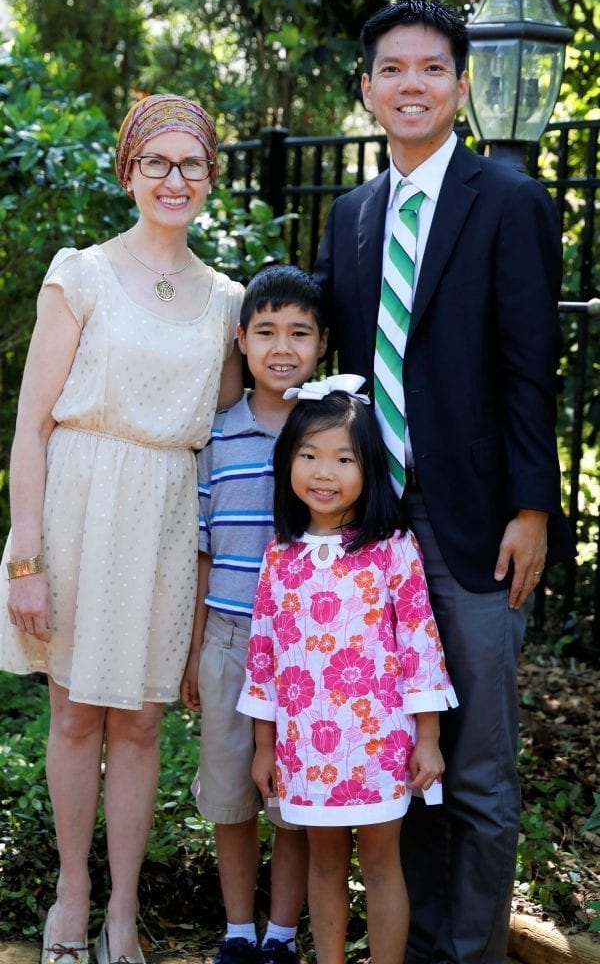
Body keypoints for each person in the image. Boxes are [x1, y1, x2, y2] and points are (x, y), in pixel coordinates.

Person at [312, 0, 576, 964]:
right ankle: (418, 947)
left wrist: (532, 508)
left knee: (477, 769)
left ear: (461, 85)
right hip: (374, 532)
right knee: (400, 757)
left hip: (477, 528)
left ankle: (472, 953)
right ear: (368, 88)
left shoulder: (509, 201)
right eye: (393, 69)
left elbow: (529, 369)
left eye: (431, 68)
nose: (411, 85)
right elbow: (329, 361)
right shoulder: (352, 214)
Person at [0, 93, 245, 964]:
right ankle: (71, 898)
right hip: (79, 511)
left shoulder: (227, 301)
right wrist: (25, 557)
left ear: (211, 176)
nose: (174, 179)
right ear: (129, 171)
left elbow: (225, 435)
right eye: (156, 162)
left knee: (141, 722)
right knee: (74, 715)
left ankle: (121, 913)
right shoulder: (83, 276)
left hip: (167, 523)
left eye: (192, 163)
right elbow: (31, 426)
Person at [237, 377, 458, 964]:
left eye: (343, 458)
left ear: (370, 468)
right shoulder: (280, 556)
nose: (324, 473)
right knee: (325, 862)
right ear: (288, 462)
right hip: (305, 748)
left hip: (379, 745)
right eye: (309, 455)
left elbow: (420, 644)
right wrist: (264, 746)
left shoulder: (392, 548)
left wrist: (428, 738)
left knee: (382, 864)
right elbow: (264, 657)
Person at [180, 264, 329, 964]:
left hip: (309, 651)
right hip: (231, 641)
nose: (282, 348)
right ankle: (239, 930)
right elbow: (203, 553)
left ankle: (282, 935)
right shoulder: (216, 437)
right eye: (266, 331)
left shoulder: (330, 435)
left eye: (299, 333)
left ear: (322, 344)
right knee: (231, 797)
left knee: (292, 806)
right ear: (240, 340)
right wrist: (194, 652)